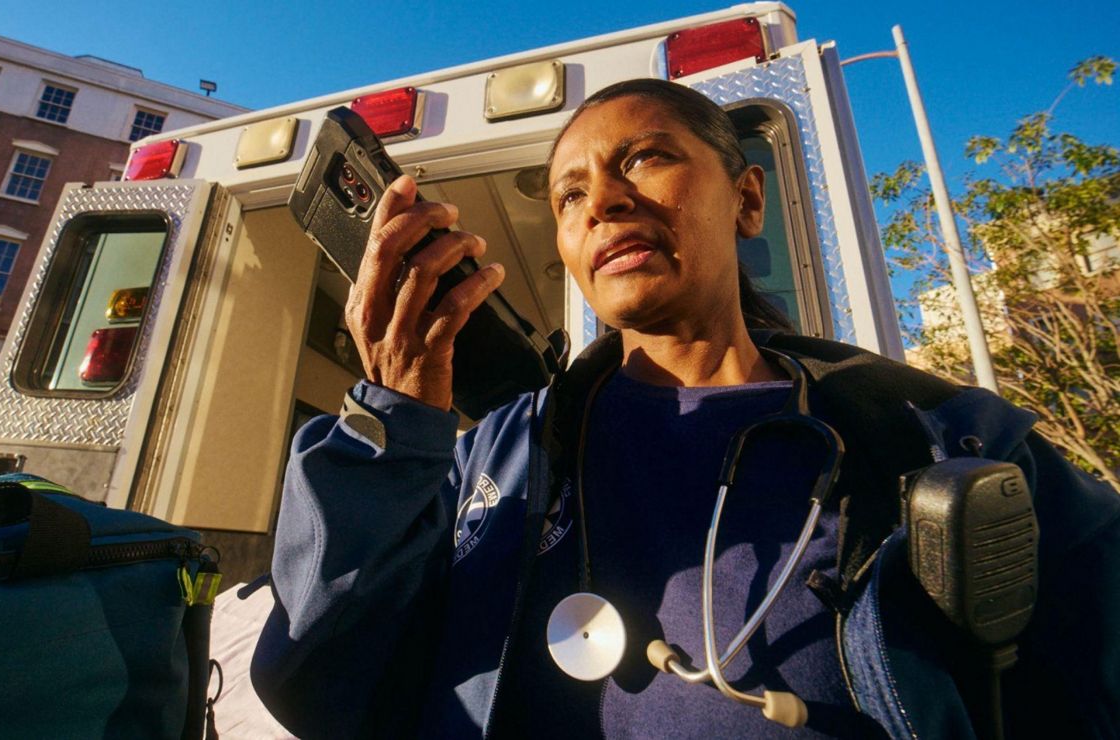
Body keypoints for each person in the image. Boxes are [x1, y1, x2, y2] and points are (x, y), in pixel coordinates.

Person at [252, 79, 1120, 739]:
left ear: (746, 200)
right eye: (570, 195)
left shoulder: (935, 435)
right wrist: (389, 418)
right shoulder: (496, 455)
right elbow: (321, 686)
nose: (605, 201)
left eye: (644, 159)